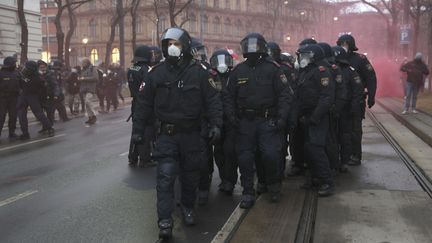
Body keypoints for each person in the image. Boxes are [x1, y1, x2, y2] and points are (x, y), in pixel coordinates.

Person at [132, 27, 222, 240]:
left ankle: (188, 208)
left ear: (186, 46)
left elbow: (213, 102)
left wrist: (216, 125)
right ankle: (164, 220)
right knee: (165, 177)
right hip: (167, 136)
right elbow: (143, 104)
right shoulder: (156, 73)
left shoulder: (200, 72)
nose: (171, 48)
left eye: (176, 44)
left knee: (190, 176)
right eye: (168, 44)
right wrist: (138, 132)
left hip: (192, 136)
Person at [224, 33, 293, 208]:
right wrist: (232, 117)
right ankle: (248, 191)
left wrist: (281, 119)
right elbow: (229, 97)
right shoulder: (238, 71)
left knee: (270, 155)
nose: (252, 49)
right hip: (245, 123)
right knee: (245, 158)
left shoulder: (273, 69)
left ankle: (272, 185)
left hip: (267, 121)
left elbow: (285, 95)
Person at [296, 44, 335, 196]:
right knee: (308, 149)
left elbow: (327, 97)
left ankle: (327, 182)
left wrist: (314, 117)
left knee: (316, 148)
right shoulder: (306, 72)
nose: (302, 58)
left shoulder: (322, 71)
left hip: (317, 117)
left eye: (305, 55)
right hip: (307, 116)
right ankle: (315, 178)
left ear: (313, 56)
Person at [337, 34, 377, 166]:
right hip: (341, 100)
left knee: (355, 130)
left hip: (356, 100)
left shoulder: (360, 59)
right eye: (342, 44)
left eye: (346, 44)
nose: (344, 47)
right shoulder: (336, 58)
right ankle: (343, 155)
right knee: (341, 130)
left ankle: (355, 155)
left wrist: (371, 95)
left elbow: (371, 77)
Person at [210, 49, 237, 195]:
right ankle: (224, 178)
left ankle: (230, 181)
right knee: (219, 152)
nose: (222, 65)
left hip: (231, 121)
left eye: (225, 60)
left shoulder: (234, 77)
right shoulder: (210, 77)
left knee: (230, 151)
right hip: (217, 122)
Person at [332, 45, 364, 171]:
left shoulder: (349, 71)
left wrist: (354, 106)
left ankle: (344, 160)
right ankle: (340, 161)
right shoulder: (333, 69)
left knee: (345, 135)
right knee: (336, 136)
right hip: (336, 108)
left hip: (346, 109)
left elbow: (358, 89)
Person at [127, 45, 157, 168]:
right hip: (146, 103)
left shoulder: (132, 68)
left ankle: (132, 157)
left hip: (135, 103)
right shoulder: (146, 70)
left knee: (136, 129)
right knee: (147, 130)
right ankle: (145, 159)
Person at [17, 60, 55, 139]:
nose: (24, 67)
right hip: (27, 95)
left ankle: (49, 128)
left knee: (35, 114)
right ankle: (26, 133)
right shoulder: (33, 76)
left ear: (28, 67)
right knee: (24, 115)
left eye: (25, 66)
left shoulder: (32, 76)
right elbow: (43, 88)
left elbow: (43, 88)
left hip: (29, 96)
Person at [0, 56, 20, 140]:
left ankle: (12, 133)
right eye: (14, 63)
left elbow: (22, 83)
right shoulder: (1, 73)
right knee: (1, 117)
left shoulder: (17, 73)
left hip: (14, 98)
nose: (15, 64)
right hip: (2, 99)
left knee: (13, 116)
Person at [79, 58, 98, 125]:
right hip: (84, 88)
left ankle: (94, 114)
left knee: (88, 101)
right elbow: (81, 77)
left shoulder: (93, 69)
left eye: (83, 63)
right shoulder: (82, 70)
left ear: (87, 63)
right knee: (86, 104)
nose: (82, 64)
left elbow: (95, 78)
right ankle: (90, 117)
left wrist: (84, 78)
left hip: (91, 88)